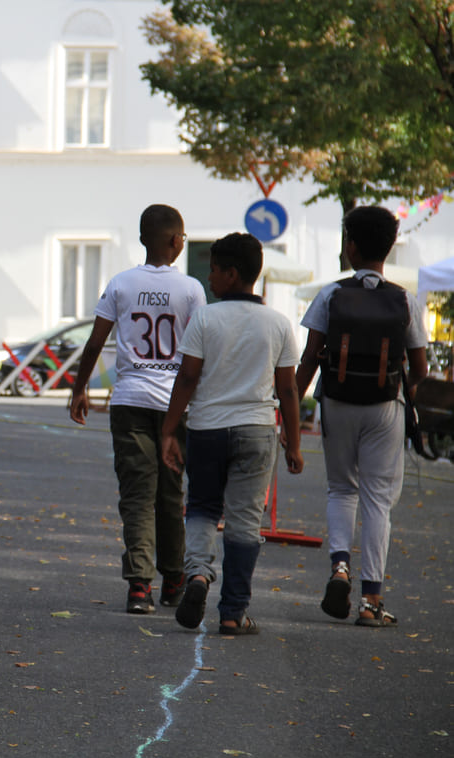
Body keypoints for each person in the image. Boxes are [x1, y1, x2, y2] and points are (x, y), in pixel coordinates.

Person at [160, 232, 304, 636]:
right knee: (244, 521)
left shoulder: (206, 318)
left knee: (203, 508)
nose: (210, 278)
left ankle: (199, 577)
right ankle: (233, 612)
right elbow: (288, 389)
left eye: (214, 270)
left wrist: (169, 430)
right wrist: (293, 444)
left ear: (232, 273)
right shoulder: (278, 323)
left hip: (207, 429)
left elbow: (188, 377)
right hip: (257, 431)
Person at [68, 204, 206, 614]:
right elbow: (200, 353)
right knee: (170, 494)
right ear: (174, 241)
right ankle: (174, 579)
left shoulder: (121, 284)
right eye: (182, 237)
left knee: (135, 495)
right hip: (174, 405)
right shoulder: (192, 290)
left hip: (129, 400)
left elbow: (95, 343)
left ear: (144, 239)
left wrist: (79, 389)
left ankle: (139, 587)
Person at [295, 206, 428, 628]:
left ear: (349, 246)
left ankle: (338, 567)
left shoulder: (330, 295)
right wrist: (408, 391)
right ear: (389, 248)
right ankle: (371, 600)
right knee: (377, 500)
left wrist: (289, 411)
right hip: (386, 406)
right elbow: (420, 367)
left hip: (336, 402)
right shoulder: (405, 299)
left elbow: (308, 359)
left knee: (341, 488)